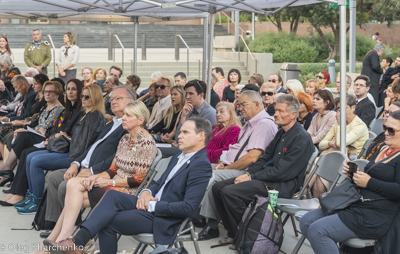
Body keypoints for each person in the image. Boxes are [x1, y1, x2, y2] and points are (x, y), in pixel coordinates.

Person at [43, 117, 213, 254]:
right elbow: (159, 184)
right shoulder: (178, 156)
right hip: (147, 202)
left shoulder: (201, 165)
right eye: (180, 131)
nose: (179, 135)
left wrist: (151, 203)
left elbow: (188, 208)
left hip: (163, 217)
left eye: (185, 132)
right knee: (111, 196)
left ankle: (75, 243)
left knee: (106, 220)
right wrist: (147, 191)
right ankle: (76, 243)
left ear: (201, 136)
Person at [41, 101, 157, 248]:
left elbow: (137, 180)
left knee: (72, 197)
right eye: (124, 114)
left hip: (127, 192)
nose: (123, 118)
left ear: (140, 120)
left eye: (128, 115)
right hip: (113, 185)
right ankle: (61, 239)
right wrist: (93, 178)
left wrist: (108, 182)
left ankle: (59, 240)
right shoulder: (126, 138)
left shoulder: (146, 143)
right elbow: (113, 169)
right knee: (73, 188)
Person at [212, 94, 314, 247]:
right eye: (276, 110)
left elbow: (283, 172)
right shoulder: (282, 132)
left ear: (293, 114)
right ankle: (236, 232)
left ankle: (248, 236)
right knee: (218, 188)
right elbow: (265, 158)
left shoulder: (301, 138)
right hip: (267, 178)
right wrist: (249, 173)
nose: (275, 114)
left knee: (230, 192)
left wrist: (252, 177)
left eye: (280, 111)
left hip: (282, 185)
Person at [300, 110, 400, 254]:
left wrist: (369, 182)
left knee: (318, 230)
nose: (385, 133)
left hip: (375, 214)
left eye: (391, 130)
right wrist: (353, 173)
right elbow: (371, 176)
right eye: (385, 128)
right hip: (356, 203)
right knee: (306, 221)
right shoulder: (384, 148)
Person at [43, 86, 135, 232]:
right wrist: (75, 163)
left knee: (64, 186)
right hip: (84, 167)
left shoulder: (130, 127)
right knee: (54, 177)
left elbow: (117, 158)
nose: (113, 101)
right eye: (111, 99)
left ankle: (75, 229)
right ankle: (55, 224)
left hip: (101, 173)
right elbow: (91, 148)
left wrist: (92, 170)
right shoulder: (111, 123)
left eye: (118, 98)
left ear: (131, 101)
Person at [198, 90, 278, 241]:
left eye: (243, 104)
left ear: (256, 104)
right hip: (232, 165)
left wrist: (227, 167)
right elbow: (236, 150)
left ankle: (211, 224)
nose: (240, 108)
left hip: (245, 171)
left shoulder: (264, 124)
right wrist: (223, 163)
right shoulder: (249, 124)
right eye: (239, 104)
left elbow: (252, 158)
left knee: (212, 177)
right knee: (197, 170)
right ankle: (197, 215)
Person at [17, 84, 105, 214]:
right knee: (30, 156)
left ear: (96, 98)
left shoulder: (95, 116)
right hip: (72, 151)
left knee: (36, 161)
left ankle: (37, 201)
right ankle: (32, 196)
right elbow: (79, 138)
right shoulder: (84, 113)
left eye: (87, 96)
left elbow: (86, 143)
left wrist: (70, 147)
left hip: (76, 157)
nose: (83, 99)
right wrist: (67, 137)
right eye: (82, 96)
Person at [0, 80, 83, 206]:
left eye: (51, 92)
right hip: (49, 139)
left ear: (58, 93)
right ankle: (16, 190)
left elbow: (55, 128)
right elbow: (36, 122)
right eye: (45, 92)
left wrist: (48, 135)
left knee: (25, 143)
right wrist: (25, 126)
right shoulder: (54, 107)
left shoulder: (62, 109)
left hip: (55, 142)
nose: (47, 94)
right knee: (25, 151)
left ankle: (10, 174)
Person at [307, 95, 369, 198]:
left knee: (317, 162)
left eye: (343, 108)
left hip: (349, 166)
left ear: (353, 108)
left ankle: (303, 191)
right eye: (339, 109)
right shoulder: (337, 122)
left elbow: (341, 143)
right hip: (333, 162)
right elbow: (322, 144)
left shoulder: (359, 126)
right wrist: (331, 143)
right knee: (318, 174)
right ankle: (316, 203)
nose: (340, 112)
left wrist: (340, 125)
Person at [161, 80, 216, 148]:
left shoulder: (210, 113)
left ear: (201, 95)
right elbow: (178, 138)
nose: (187, 97)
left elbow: (207, 142)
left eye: (191, 93)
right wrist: (184, 116)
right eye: (186, 93)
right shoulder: (189, 110)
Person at [0, 75, 37, 142]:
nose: (15, 90)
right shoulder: (25, 93)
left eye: (16, 87)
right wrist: (5, 117)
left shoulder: (32, 95)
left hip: (22, 123)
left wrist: (9, 119)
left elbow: (26, 115)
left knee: (1, 129)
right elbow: (17, 111)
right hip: (16, 120)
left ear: (22, 83)